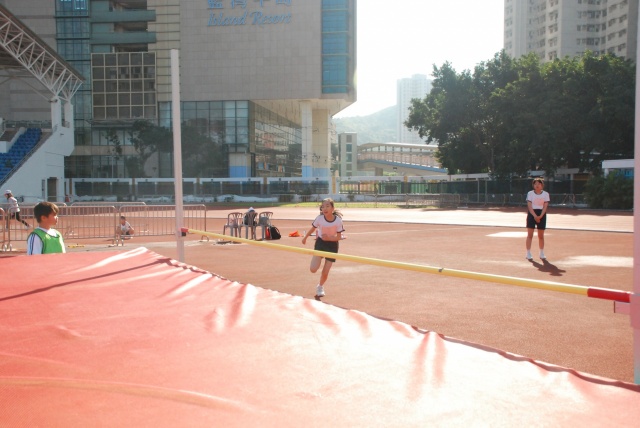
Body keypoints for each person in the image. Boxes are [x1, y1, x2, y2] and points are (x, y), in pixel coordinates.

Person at [302, 198, 345, 298]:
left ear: (332, 208)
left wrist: (329, 238)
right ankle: (317, 258)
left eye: (327, 206)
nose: (324, 208)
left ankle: (320, 286)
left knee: (325, 272)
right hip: (321, 243)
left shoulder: (338, 221)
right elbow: (312, 228)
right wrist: (305, 237)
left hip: (332, 245)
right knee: (313, 269)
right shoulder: (319, 218)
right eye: (323, 207)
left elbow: (339, 237)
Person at [525, 177, 550, 260]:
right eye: (535, 184)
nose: (537, 185)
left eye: (539, 184)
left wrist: (541, 216)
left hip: (541, 214)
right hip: (532, 214)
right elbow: (529, 206)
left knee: (541, 236)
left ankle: (541, 252)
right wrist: (535, 216)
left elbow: (545, 206)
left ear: (542, 185)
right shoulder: (530, 193)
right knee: (530, 235)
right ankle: (528, 252)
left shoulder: (546, 194)